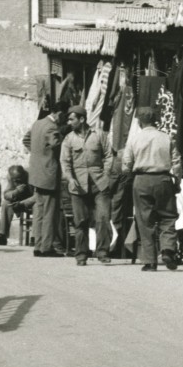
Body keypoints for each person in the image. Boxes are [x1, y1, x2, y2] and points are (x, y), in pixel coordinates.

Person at [123, 106, 182, 272]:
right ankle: (168, 250)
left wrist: (129, 175)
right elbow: (177, 163)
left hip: (141, 180)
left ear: (140, 121)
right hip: (163, 179)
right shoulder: (166, 137)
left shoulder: (134, 139)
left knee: (145, 220)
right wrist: (176, 183)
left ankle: (150, 261)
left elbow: (126, 163)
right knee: (168, 217)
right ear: (155, 120)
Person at [60, 105, 115, 265]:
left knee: (103, 219)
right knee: (80, 221)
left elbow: (108, 155)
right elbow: (65, 162)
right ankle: (81, 255)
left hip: (99, 184)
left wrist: (105, 175)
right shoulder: (69, 139)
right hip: (78, 186)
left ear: (82, 119)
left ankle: (103, 252)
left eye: (72, 119)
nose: (69, 122)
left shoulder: (99, 135)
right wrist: (70, 178)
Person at [27, 106, 64, 257]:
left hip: (36, 172)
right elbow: (56, 144)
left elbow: (26, 139)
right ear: (58, 112)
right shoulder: (52, 127)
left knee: (39, 211)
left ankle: (38, 245)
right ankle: (46, 247)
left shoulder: (38, 123)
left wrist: (37, 153)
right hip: (48, 173)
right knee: (49, 212)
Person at [0, 165, 36, 246]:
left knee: (37, 206)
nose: (17, 182)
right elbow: (6, 194)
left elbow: (37, 196)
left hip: (31, 201)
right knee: (6, 204)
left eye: (19, 179)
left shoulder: (31, 176)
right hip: (19, 202)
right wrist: (16, 192)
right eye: (15, 180)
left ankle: (34, 237)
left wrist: (23, 202)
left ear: (23, 175)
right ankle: (2, 236)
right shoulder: (11, 177)